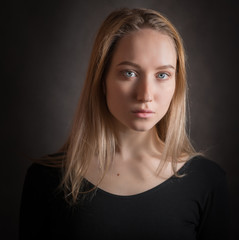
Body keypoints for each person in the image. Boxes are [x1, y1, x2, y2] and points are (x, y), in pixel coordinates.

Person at [19, 8, 229, 239]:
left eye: (162, 75)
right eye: (129, 73)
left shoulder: (207, 180)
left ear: (176, 84)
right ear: (102, 80)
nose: (145, 95)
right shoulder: (47, 179)